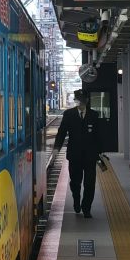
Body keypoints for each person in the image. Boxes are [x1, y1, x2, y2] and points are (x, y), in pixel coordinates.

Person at [53, 89, 102, 218]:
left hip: (90, 156)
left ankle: (86, 208)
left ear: (87, 100)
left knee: (90, 183)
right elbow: (62, 132)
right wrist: (56, 148)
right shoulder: (69, 114)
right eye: (78, 99)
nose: (80, 102)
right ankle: (76, 199)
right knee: (75, 182)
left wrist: (99, 153)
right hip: (74, 155)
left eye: (82, 99)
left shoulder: (94, 115)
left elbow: (99, 136)